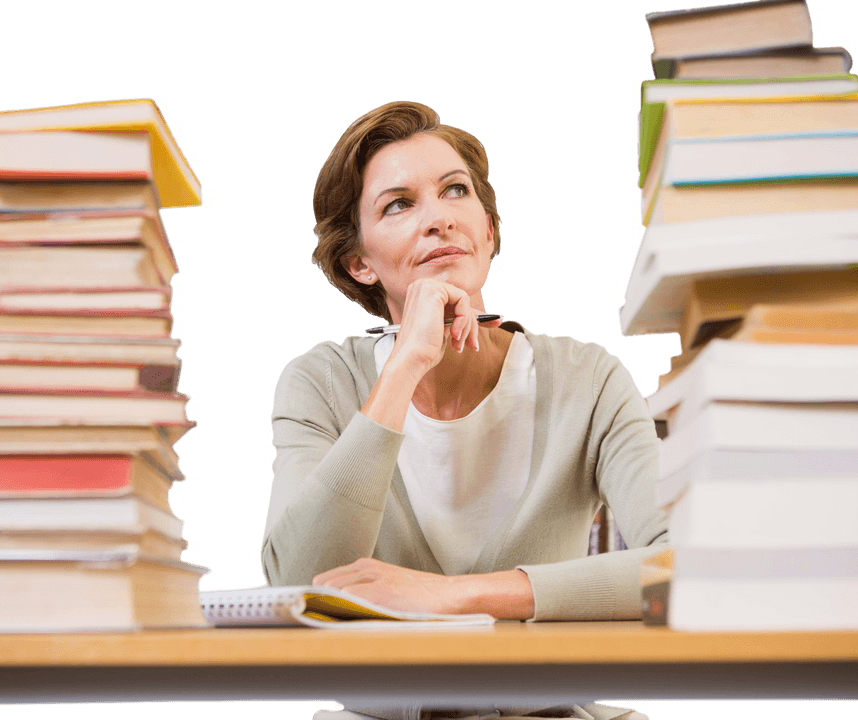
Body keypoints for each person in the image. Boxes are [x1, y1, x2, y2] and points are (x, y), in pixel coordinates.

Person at [261, 101, 665, 720]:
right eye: (399, 204)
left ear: (489, 232)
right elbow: (301, 585)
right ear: (359, 262)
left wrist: (450, 597)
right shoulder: (318, 382)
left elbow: (683, 566)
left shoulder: (589, 379)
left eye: (456, 192)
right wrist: (405, 367)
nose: (439, 220)